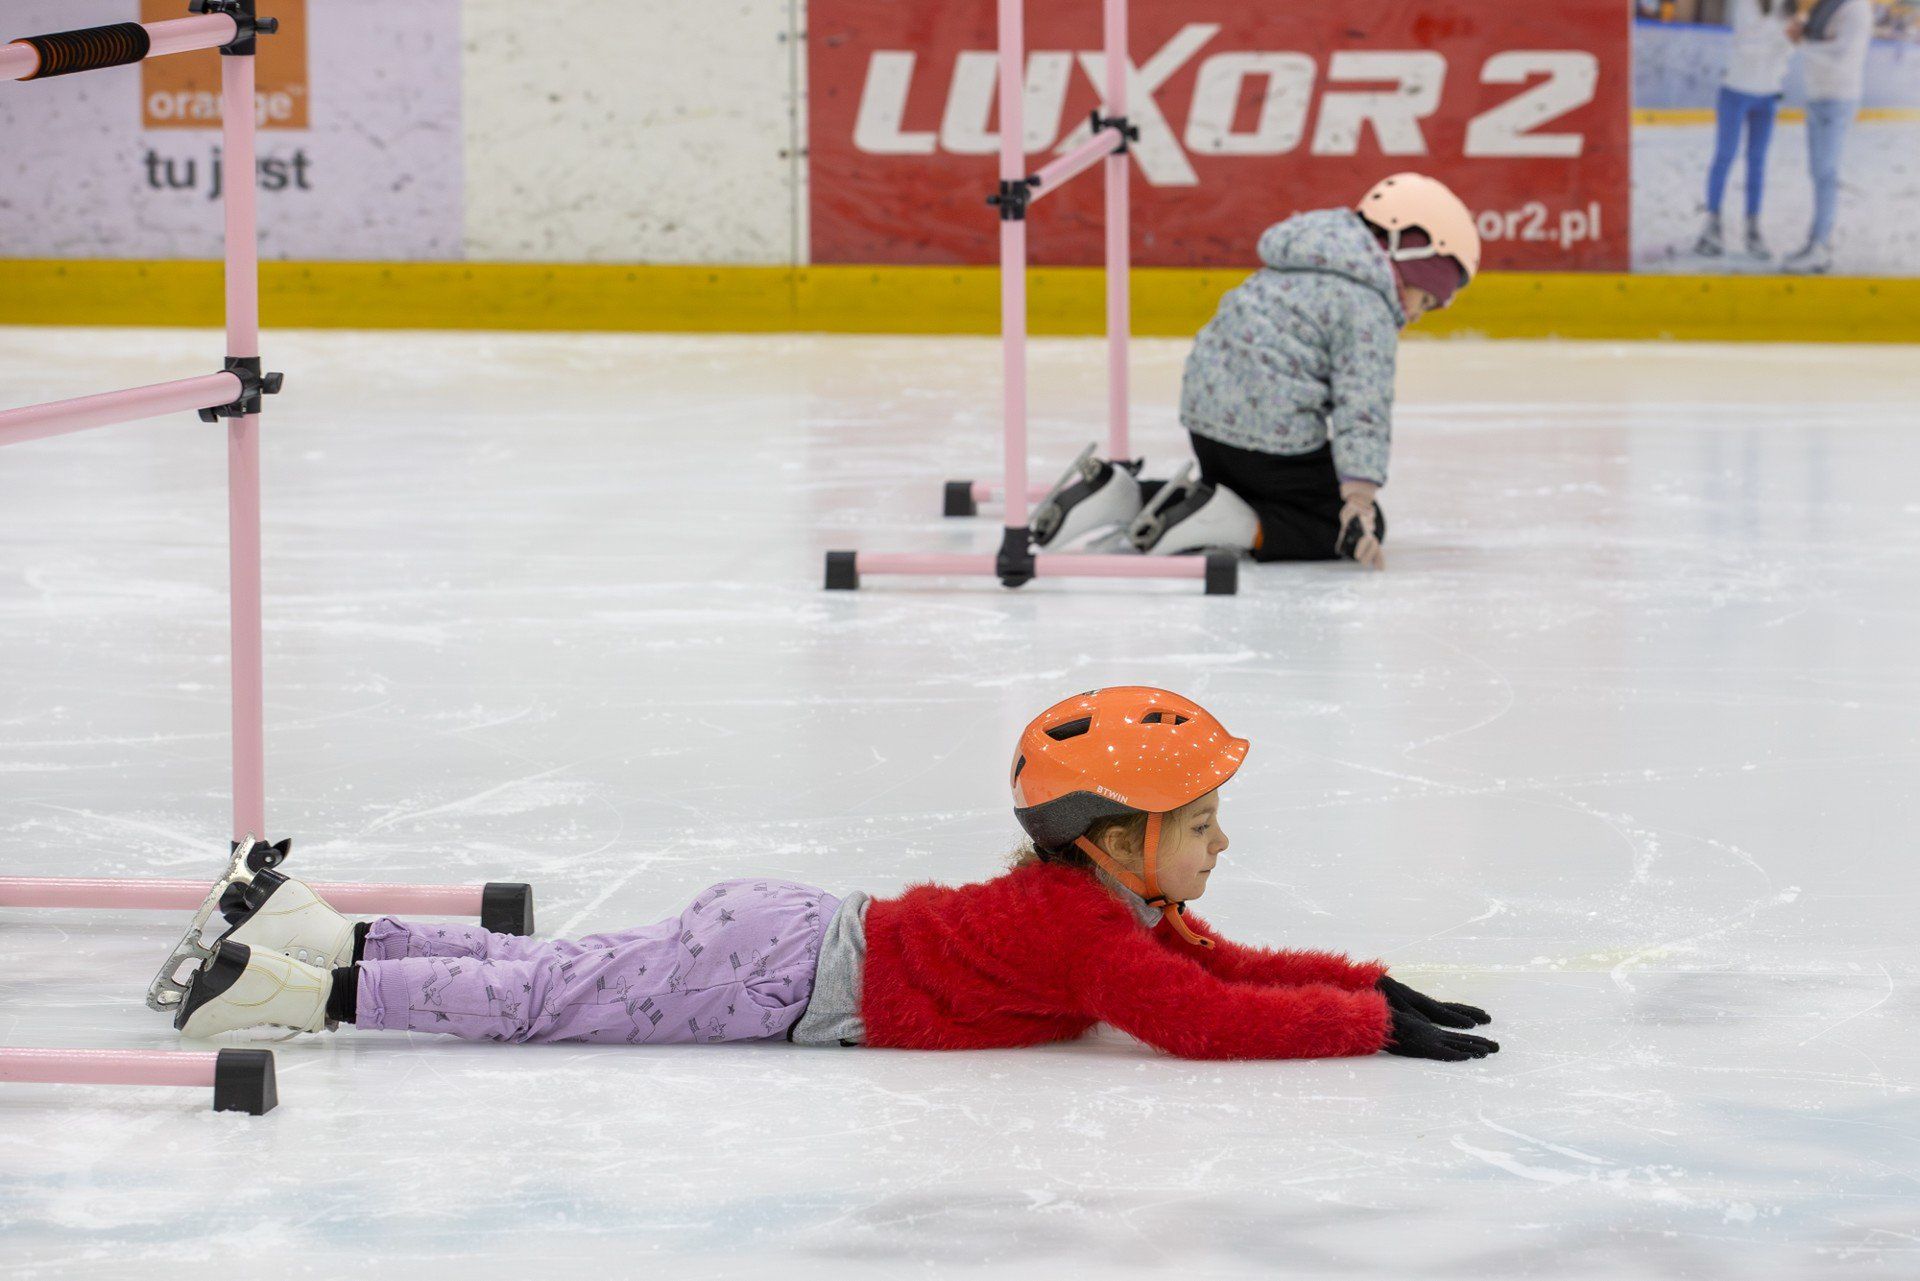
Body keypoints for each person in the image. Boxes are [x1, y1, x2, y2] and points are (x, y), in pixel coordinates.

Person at [156, 687, 1499, 1064]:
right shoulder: (1092, 935)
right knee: (553, 999)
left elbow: (1226, 968)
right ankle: (307, 995)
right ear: (1112, 837)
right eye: (1198, 824)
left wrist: (1371, 985)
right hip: (783, 977)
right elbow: (1199, 1019)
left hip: (791, 928)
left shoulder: (1103, 900)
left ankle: (335, 937)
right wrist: (1365, 1031)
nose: (1220, 847)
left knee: (566, 968)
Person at [1030, 174, 1480, 573]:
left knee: (1240, 490)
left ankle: (1124, 496)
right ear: (1410, 255)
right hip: (1270, 441)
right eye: (1424, 300)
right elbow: (1363, 407)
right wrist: (1359, 499)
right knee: (1339, 526)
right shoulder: (1368, 306)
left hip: (1207, 423)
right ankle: (1230, 525)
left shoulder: (1302, 260)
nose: (1415, 315)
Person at [1694, 0, 1797, 261]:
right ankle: (1712, 222)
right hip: (1736, 89)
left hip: (1768, 94)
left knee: (1757, 161)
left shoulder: (1788, 6)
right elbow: (1748, 43)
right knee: (1725, 155)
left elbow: (1787, 50)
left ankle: (1753, 225)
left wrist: (1783, 44)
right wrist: (1783, 38)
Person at [1785, 0, 1874, 272]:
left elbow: (1842, 52)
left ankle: (1821, 246)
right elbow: (1815, 35)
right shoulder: (1825, 5)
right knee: (1818, 172)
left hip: (1838, 97)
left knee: (1826, 172)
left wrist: (1804, 44)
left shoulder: (1857, 7)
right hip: (1817, 94)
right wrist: (1802, 33)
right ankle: (1816, 240)